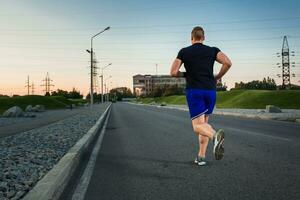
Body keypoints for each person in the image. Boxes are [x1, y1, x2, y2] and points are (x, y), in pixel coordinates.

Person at [170, 26, 232, 166]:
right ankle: (201, 157)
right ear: (203, 38)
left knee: (197, 126)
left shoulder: (184, 51)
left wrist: (186, 74)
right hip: (210, 91)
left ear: (191, 38)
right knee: (203, 124)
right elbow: (228, 63)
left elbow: (173, 72)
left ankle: (215, 136)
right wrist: (218, 77)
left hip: (195, 91)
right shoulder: (212, 50)